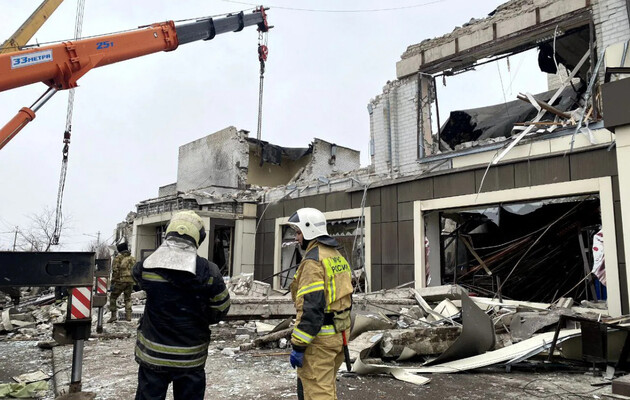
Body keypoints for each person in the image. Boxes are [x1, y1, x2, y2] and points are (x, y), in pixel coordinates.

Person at [133, 210, 230, 400]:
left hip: (153, 355)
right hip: (190, 358)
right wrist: (200, 317)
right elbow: (221, 308)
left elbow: (137, 279)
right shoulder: (210, 272)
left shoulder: (147, 267)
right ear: (198, 238)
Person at [287, 207, 353, 400]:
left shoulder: (313, 261)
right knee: (326, 389)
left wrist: (298, 345)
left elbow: (311, 307)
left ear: (309, 230)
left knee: (318, 393)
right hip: (339, 335)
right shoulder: (335, 255)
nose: (297, 237)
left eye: (299, 232)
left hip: (319, 341)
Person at [108, 242, 136, 322]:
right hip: (130, 281)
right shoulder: (133, 258)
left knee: (113, 297)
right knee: (128, 298)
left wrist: (113, 282)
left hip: (120, 281)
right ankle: (128, 316)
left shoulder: (118, 258)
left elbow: (115, 271)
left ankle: (113, 316)